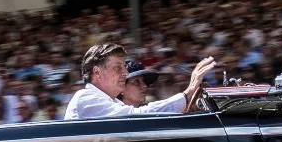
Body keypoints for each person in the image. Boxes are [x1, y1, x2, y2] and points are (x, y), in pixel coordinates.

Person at [63, 43, 216, 119]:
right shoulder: (86, 99)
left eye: (124, 68)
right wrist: (187, 93)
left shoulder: (115, 104)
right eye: (118, 68)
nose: (124, 73)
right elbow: (137, 117)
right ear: (97, 72)